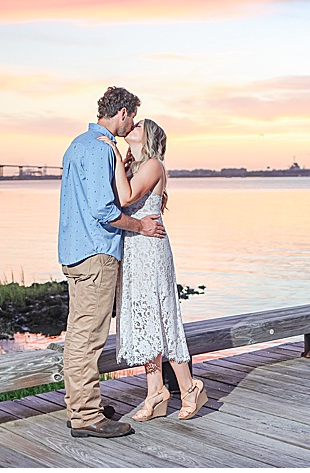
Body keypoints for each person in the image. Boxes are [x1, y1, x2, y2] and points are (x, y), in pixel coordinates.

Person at [58, 87, 166, 439]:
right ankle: (87, 416)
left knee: (78, 333)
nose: (133, 122)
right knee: (87, 339)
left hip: (76, 251)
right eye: (132, 115)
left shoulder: (78, 144)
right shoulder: (100, 149)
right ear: (121, 112)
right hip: (96, 254)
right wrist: (140, 225)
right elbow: (105, 210)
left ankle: (80, 403)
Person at [97, 118, 208, 422]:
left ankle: (189, 387)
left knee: (160, 317)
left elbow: (126, 197)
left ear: (149, 138)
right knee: (143, 319)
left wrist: (117, 157)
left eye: (139, 125)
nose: (132, 126)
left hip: (151, 250)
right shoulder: (134, 167)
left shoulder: (154, 165)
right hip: (133, 247)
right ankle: (155, 391)